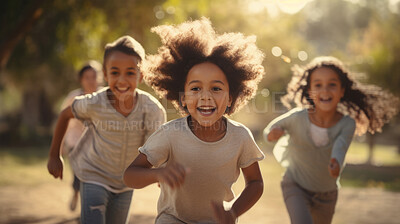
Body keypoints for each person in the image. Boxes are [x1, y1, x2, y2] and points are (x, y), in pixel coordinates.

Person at [123, 18, 265, 224]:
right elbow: (130, 176)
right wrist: (159, 174)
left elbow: (255, 182)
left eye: (216, 88)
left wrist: (233, 212)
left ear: (231, 98)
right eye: (196, 88)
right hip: (172, 218)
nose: (205, 96)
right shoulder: (170, 134)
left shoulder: (240, 137)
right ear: (182, 98)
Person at [263, 56, 399, 224]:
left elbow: (341, 147)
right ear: (310, 91)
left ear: (342, 90)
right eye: (318, 85)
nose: (325, 90)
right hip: (295, 184)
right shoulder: (297, 118)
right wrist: (273, 134)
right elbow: (269, 130)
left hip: (327, 194)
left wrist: (336, 163)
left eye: (332, 84)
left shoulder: (347, 124)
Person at [47, 36, 166, 224]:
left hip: (126, 182)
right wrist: (55, 155)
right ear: (105, 74)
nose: (121, 80)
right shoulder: (95, 102)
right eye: (115, 72)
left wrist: (161, 168)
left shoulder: (151, 109)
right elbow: (64, 115)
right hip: (95, 175)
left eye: (129, 73)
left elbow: (156, 145)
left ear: (141, 75)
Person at [60, 60, 103, 211]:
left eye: (94, 76)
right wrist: (61, 146)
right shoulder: (74, 98)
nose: (91, 81)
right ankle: (77, 194)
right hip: (75, 142)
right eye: (87, 77)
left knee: (92, 177)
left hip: (97, 145)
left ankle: (83, 202)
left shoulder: (105, 96)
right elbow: (63, 121)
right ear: (81, 80)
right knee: (80, 174)